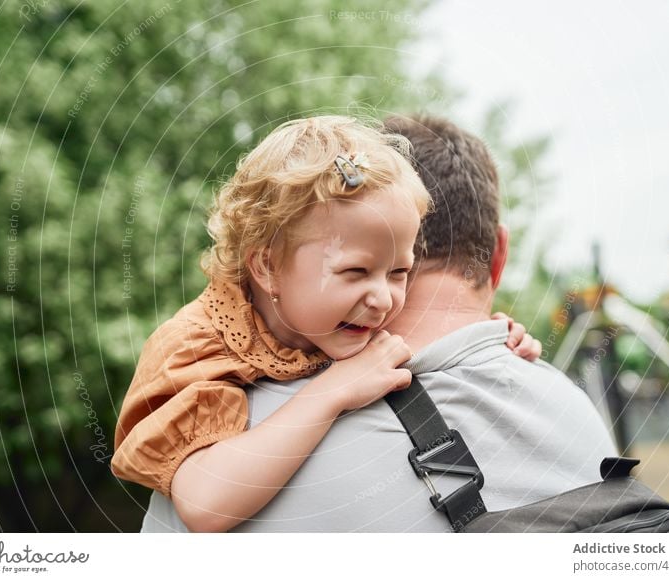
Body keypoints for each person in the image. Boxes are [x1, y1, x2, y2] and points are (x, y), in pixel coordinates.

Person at [141, 114, 617, 532]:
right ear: (265, 268)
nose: (382, 298)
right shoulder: (201, 355)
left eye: (399, 272)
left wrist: (494, 339)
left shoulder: (316, 322)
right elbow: (204, 506)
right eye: (354, 272)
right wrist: (333, 391)